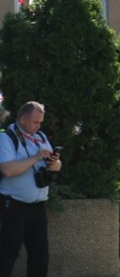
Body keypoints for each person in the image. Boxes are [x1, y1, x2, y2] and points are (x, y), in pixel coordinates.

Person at [0, 101, 61, 277]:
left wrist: (54, 162)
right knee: (7, 254)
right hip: (14, 205)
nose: (38, 126)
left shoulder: (40, 137)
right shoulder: (7, 138)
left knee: (40, 256)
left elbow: (57, 168)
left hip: (38, 206)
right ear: (23, 119)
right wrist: (36, 157)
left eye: (40, 122)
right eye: (35, 122)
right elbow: (7, 170)